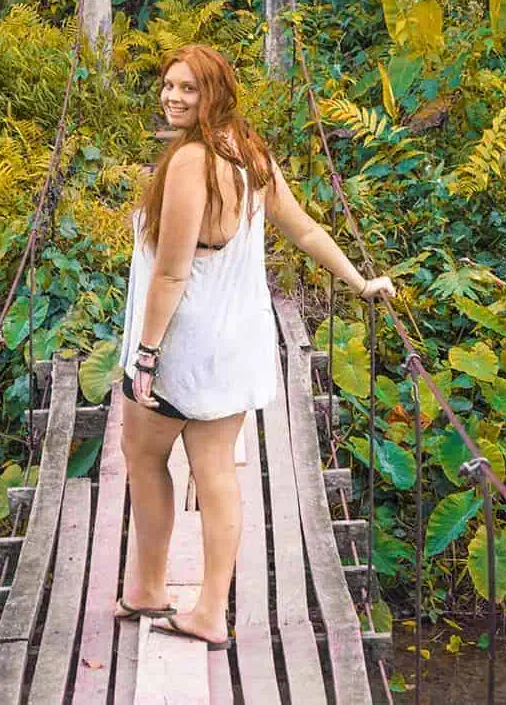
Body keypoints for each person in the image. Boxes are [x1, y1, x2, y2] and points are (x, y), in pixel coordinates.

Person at [114, 44, 396, 649]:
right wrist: (360, 281)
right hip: (237, 337)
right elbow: (305, 227)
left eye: (188, 88)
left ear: (215, 93)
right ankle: (208, 610)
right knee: (215, 470)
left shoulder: (191, 162)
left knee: (142, 454)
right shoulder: (250, 154)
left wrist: (146, 354)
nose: (172, 97)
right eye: (169, 85)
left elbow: (172, 273)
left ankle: (151, 587)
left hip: (184, 342)